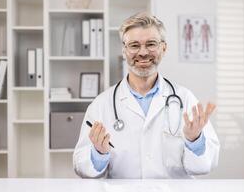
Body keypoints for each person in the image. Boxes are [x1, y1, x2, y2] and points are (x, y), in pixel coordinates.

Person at [73, 12, 220, 179]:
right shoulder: (101, 105)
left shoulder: (185, 99)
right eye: (134, 45)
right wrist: (98, 154)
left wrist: (195, 140)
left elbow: (205, 165)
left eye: (151, 44)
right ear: (124, 50)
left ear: (163, 48)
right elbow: (81, 167)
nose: (143, 53)